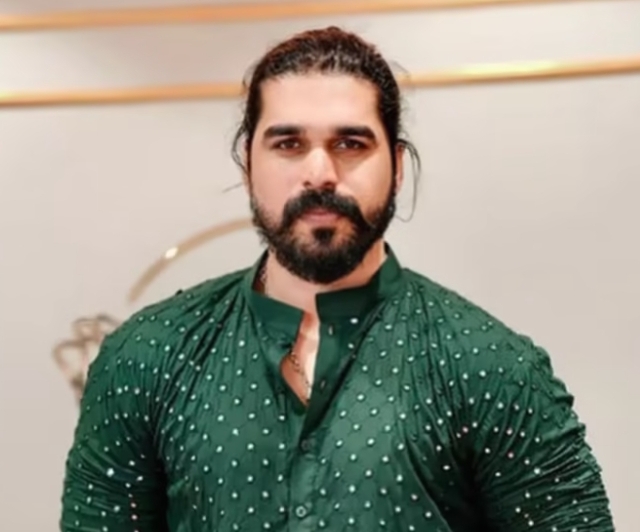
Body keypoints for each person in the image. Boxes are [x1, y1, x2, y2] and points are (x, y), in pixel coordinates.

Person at [60, 26, 614, 532]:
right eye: (288, 144)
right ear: (247, 165)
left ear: (397, 167)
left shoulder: (493, 368)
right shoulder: (146, 358)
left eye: (351, 144)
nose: (320, 173)